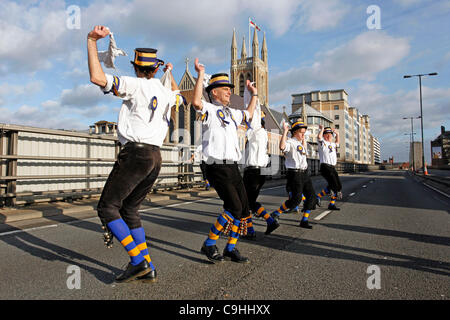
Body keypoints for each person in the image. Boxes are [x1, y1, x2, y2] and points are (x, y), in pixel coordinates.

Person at [87, 25, 182, 283]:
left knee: (107, 207)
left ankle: (137, 261)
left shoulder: (134, 84)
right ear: (155, 68)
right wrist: (169, 73)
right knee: (130, 210)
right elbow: (178, 96)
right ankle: (147, 265)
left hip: (136, 153)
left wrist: (91, 41)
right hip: (155, 157)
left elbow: (98, 77)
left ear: (137, 67)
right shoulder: (164, 92)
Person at [192, 58, 257, 263]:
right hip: (215, 164)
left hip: (232, 165)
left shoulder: (231, 113)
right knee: (233, 207)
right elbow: (195, 102)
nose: (229, 91)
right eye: (225, 89)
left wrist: (253, 94)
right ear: (214, 92)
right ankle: (209, 243)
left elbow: (248, 114)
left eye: (230, 88)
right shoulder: (209, 109)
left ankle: (231, 248)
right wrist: (201, 75)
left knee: (243, 209)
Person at [269, 121, 316, 230]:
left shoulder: (300, 143)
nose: (303, 135)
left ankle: (304, 220)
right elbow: (282, 147)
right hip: (295, 174)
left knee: (312, 198)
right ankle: (276, 213)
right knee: (296, 200)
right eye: (301, 133)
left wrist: (303, 140)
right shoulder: (290, 142)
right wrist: (285, 131)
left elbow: (304, 153)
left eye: (304, 132)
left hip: (304, 173)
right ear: (295, 132)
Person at [242, 107, 280, 238]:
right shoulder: (259, 134)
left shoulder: (256, 132)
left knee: (244, 202)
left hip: (254, 172)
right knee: (249, 202)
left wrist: (253, 96)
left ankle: (251, 230)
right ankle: (269, 222)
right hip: (257, 172)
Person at [316, 125, 343, 210]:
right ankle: (318, 197)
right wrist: (322, 129)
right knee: (334, 185)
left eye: (330, 134)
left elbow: (337, 143)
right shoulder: (322, 143)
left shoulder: (333, 144)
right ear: (324, 135)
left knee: (338, 186)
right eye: (326, 134)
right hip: (325, 166)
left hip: (332, 167)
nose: (328, 136)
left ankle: (331, 204)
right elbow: (319, 137)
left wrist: (337, 134)